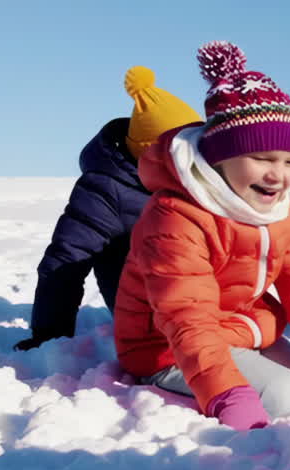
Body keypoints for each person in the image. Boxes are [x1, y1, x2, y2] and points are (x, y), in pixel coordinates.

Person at [114, 41, 290, 431]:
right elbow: (186, 316)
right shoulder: (176, 217)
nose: (279, 175)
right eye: (262, 159)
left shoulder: (279, 213)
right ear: (220, 158)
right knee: (287, 397)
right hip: (166, 345)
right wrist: (225, 391)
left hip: (237, 327)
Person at [14, 67, 201, 351]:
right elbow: (65, 262)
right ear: (150, 151)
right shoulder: (105, 189)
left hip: (198, 301)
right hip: (145, 312)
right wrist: (49, 337)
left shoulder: (192, 181)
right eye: (181, 151)